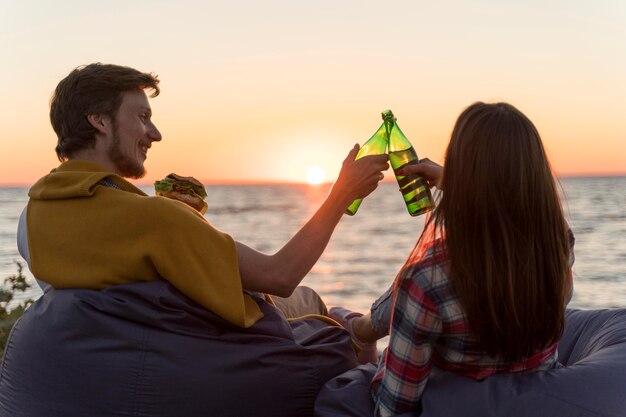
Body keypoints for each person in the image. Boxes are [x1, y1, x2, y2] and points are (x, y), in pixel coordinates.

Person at [3, 63, 389, 417]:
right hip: (208, 363)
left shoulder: (33, 217)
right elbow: (280, 274)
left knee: (304, 302)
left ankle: (356, 326)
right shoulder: (154, 218)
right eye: (142, 117)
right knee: (312, 307)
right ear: (99, 121)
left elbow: (109, 297)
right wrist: (341, 194)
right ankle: (359, 331)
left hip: (105, 369)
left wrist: (182, 234)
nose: (155, 134)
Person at [330, 102, 575, 417]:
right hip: (537, 398)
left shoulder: (427, 281)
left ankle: (361, 329)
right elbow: (506, 227)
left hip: (455, 401)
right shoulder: (558, 240)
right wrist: (458, 185)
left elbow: (395, 409)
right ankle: (363, 327)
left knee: (334, 395)